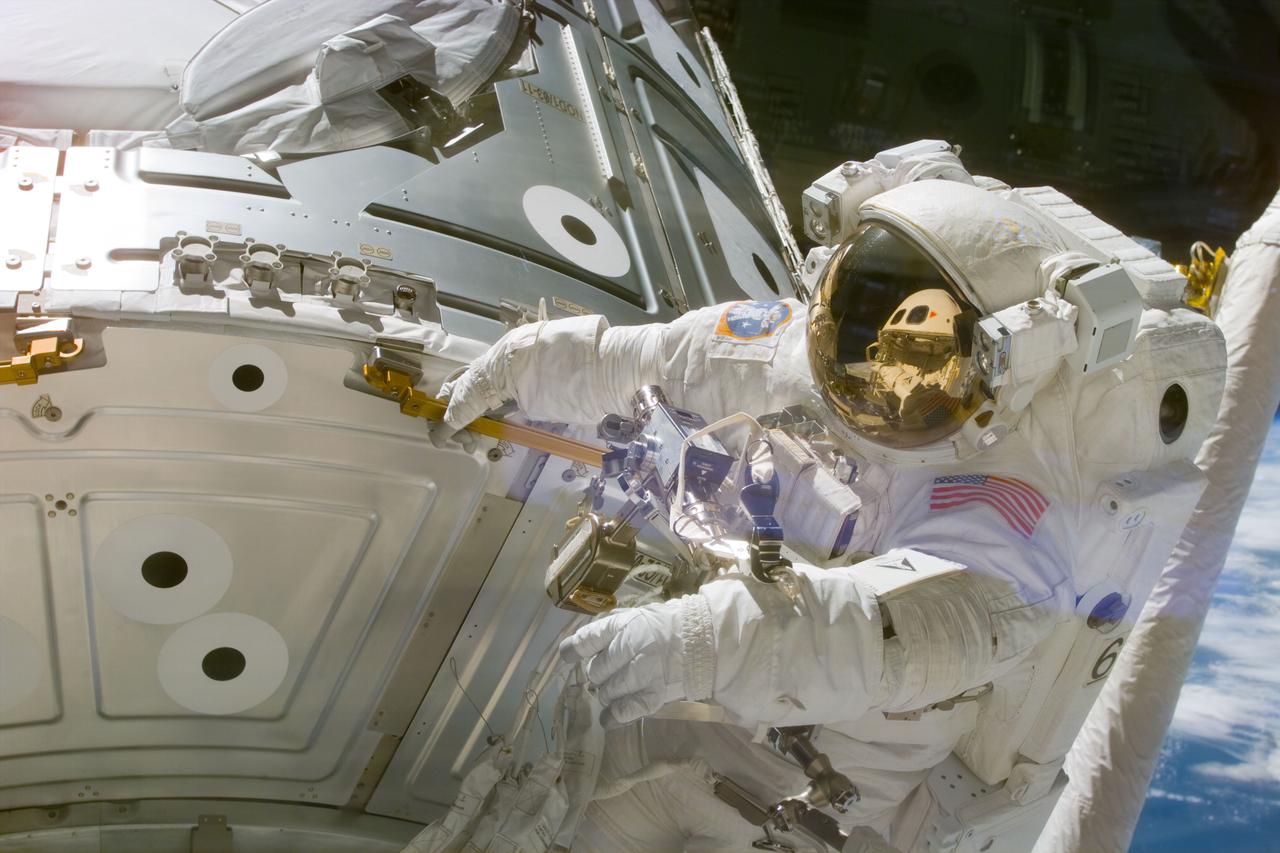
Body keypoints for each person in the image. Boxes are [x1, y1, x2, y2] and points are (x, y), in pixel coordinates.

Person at [428, 146, 1224, 851]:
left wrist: (707, 637)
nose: (883, 376)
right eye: (877, 340)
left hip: (804, 801)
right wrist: (518, 368)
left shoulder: (1012, 509)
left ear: (999, 371)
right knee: (520, 809)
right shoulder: (813, 348)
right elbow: (648, 359)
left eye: (924, 360)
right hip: (689, 729)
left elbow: (889, 633)